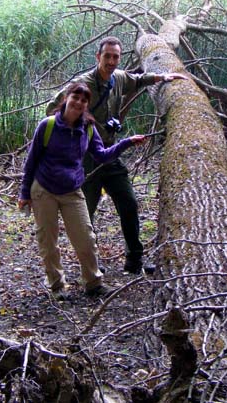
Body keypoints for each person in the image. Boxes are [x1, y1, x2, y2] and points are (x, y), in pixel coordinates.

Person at [47, 36, 187, 274]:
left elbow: (137, 79)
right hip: (86, 160)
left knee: (129, 204)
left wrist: (162, 77)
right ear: (98, 57)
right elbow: (52, 109)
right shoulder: (83, 84)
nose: (111, 61)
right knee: (85, 215)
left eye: (115, 57)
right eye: (107, 56)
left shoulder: (118, 78)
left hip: (110, 155)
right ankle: (90, 267)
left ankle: (134, 260)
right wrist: (81, 123)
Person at [19, 82, 147, 300]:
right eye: (75, 97)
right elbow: (31, 162)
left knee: (86, 239)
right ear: (66, 98)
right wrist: (24, 194)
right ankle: (57, 286)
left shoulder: (87, 129)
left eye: (83, 100)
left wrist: (127, 142)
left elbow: (102, 156)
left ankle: (93, 283)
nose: (78, 103)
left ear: (87, 105)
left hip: (72, 191)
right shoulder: (47, 126)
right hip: (44, 189)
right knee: (48, 242)